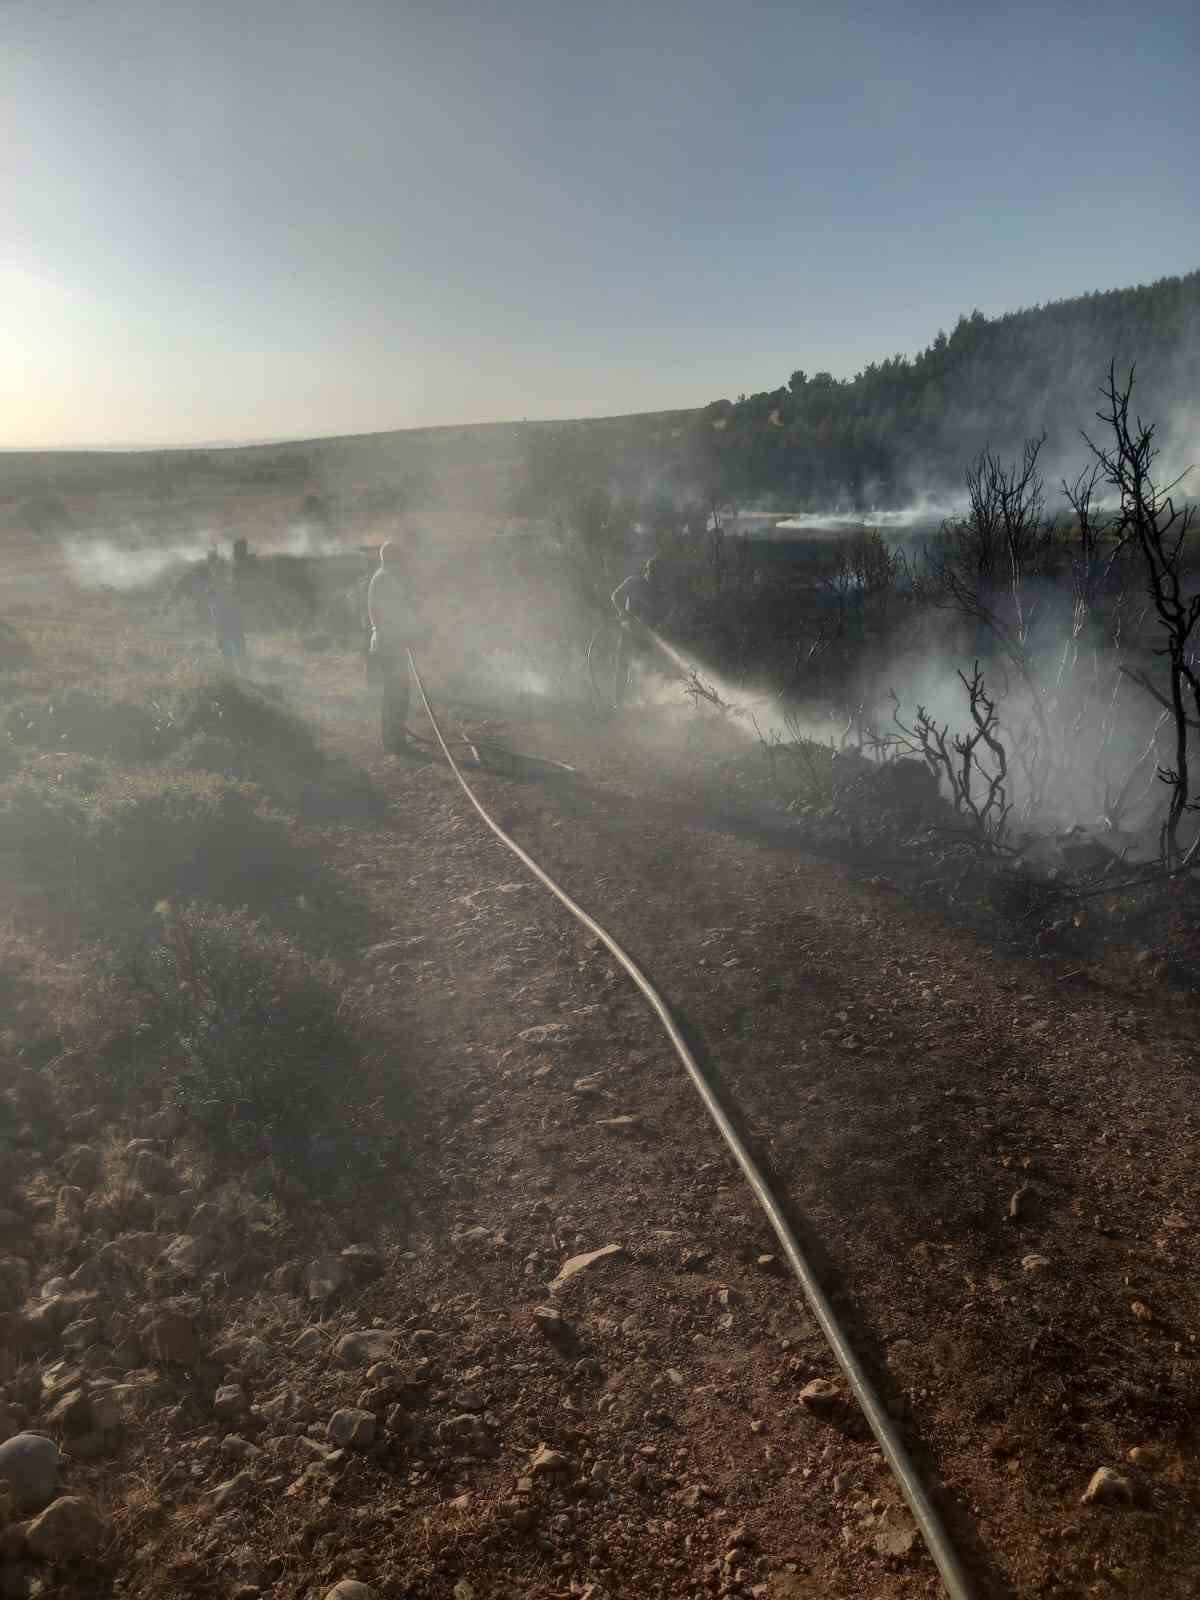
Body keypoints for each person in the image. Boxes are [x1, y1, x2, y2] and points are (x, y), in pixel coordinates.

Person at [367, 540, 419, 753]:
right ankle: (393, 740)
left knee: (397, 692)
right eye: (402, 558)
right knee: (395, 692)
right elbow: (394, 616)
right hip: (390, 643)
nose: (405, 562)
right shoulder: (386, 580)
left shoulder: (384, 578)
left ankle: (395, 737)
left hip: (390, 642)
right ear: (393, 558)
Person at [610, 556, 661, 707]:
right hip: (628, 632)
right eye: (654, 573)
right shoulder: (634, 582)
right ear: (648, 570)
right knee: (623, 666)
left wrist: (656, 626)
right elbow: (615, 596)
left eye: (659, 575)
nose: (656, 577)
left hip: (645, 637)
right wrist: (624, 613)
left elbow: (659, 615)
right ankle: (618, 703)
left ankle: (641, 703)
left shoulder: (658, 590)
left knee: (644, 670)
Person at [209, 564, 245, 673]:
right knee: (236, 653)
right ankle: (240, 677)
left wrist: (218, 631)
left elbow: (215, 612)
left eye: (217, 572)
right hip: (230, 625)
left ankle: (238, 677)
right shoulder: (230, 587)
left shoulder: (214, 590)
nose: (216, 575)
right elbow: (215, 611)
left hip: (228, 625)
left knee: (233, 653)